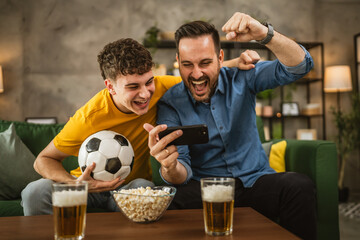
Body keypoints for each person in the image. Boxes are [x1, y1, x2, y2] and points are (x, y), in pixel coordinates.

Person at [21, 37, 260, 216]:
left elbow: (197, 75)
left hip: (131, 188)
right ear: (110, 86)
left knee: (146, 189)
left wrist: (233, 62)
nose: (145, 93)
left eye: (149, 82)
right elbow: (43, 160)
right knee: (34, 192)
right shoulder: (89, 116)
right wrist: (74, 184)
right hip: (87, 190)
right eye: (133, 87)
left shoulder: (163, 87)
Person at [144, 12, 316, 240]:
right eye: (187, 65)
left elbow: (300, 66)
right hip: (206, 189)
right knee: (164, 199)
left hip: (255, 182)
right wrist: (169, 167)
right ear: (178, 61)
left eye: (205, 63)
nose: (196, 74)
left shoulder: (243, 76)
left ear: (220, 57)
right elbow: (181, 172)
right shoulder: (170, 103)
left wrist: (265, 34)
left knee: (299, 186)